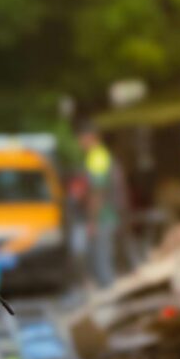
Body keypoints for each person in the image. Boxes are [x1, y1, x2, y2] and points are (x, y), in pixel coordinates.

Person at [77, 122, 122, 288]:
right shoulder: (98, 156)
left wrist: (93, 221)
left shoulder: (97, 157)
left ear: (90, 137)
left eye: (81, 138)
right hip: (105, 216)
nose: (79, 143)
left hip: (103, 217)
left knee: (102, 265)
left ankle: (111, 305)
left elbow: (98, 191)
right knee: (101, 262)